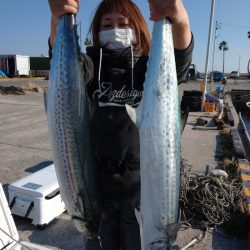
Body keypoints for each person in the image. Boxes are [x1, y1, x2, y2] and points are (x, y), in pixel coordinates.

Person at [48, 0, 193, 249]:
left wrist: (178, 16)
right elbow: (63, 66)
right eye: (107, 24)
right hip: (97, 189)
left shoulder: (148, 66)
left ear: (137, 28)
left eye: (123, 23)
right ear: (96, 32)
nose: (114, 28)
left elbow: (180, 57)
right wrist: (59, 17)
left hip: (141, 189)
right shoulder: (90, 66)